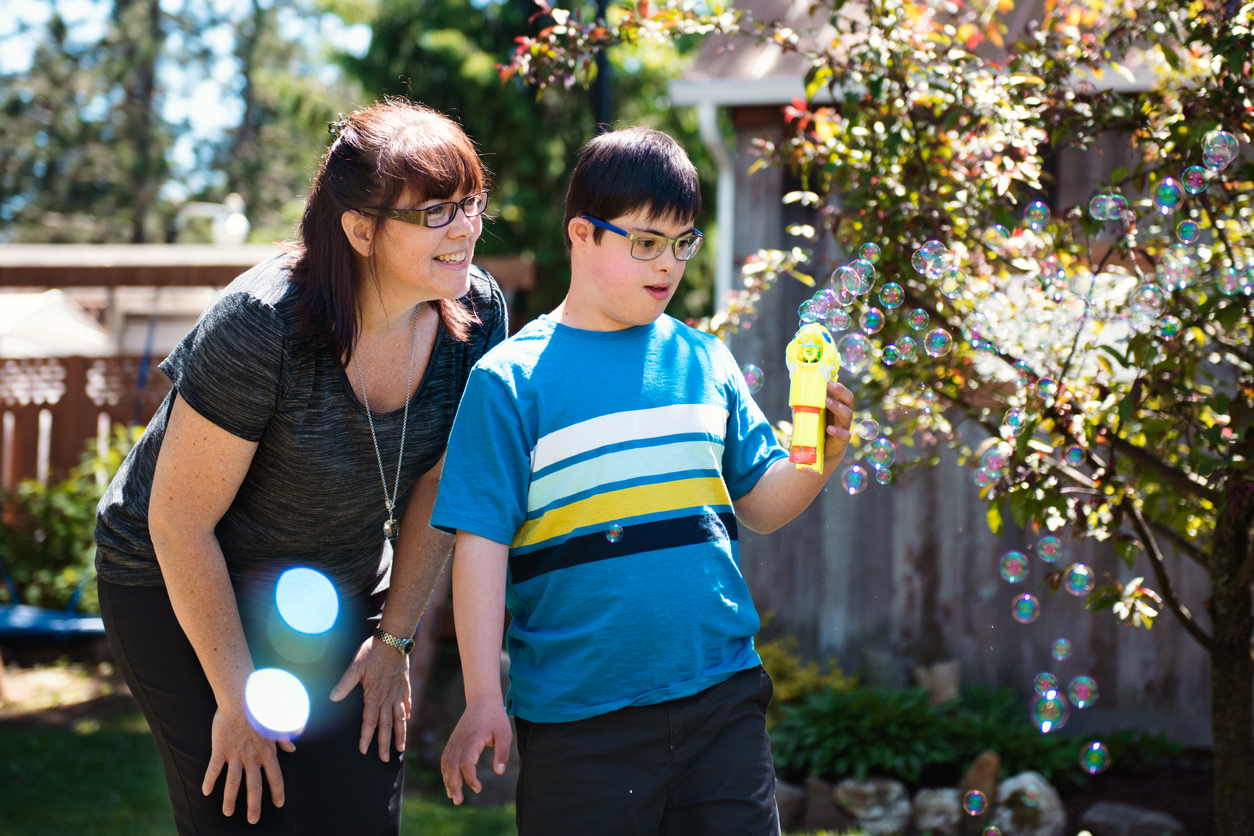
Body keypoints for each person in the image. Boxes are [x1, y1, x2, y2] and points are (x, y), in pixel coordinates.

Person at [94, 100, 507, 835]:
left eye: (472, 202)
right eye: (437, 211)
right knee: (249, 808)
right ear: (361, 230)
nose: (467, 227)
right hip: (175, 575)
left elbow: (439, 485)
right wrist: (235, 694)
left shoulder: (474, 315)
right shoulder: (261, 325)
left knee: (355, 812)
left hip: (334, 583)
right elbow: (179, 520)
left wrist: (395, 640)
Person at [434, 126, 854, 834]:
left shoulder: (705, 361)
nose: (668, 264)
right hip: (580, 721)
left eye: (682, 242)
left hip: (720, 700)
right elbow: (480, 545)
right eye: (645, 242)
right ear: (581, 235)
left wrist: (818, 457)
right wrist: (482, 695)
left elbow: (762, 503)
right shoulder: (511, 381)